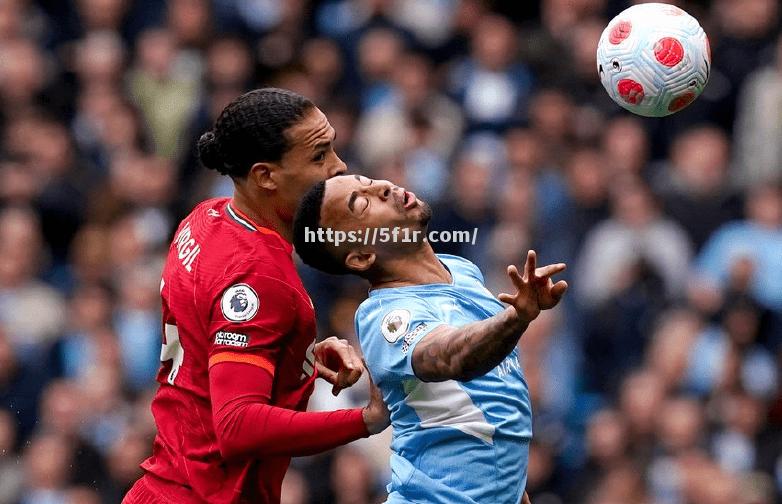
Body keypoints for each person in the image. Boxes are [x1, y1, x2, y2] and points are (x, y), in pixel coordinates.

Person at [123, 89, 389, 504]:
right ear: (265, 176)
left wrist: (299, 355)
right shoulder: (259, 276)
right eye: (319, 156)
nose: (339, 167)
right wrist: (364, 420)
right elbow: (237, 425)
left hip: (164, 487)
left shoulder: (204, 218)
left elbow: (211, 338)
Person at [292, 174, 568, 504]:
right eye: (363, 203)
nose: (382, 187)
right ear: (363, 256)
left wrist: (511, 489)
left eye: (368, 181)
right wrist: (518, 317)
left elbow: (488, 397)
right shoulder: (385, 317)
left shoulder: (462, 271)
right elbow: (450, 358)